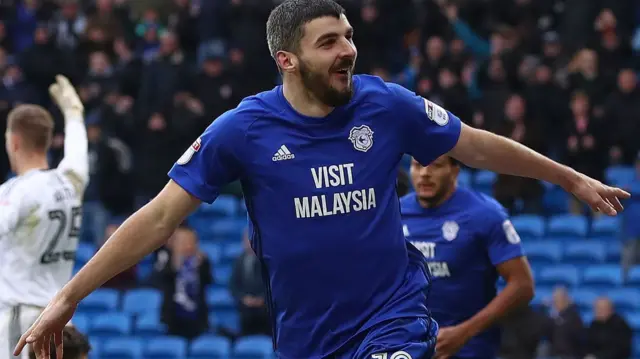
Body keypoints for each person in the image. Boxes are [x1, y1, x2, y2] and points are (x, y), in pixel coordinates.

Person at [15, 1, 630, 358]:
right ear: (287, 59)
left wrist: (570, 178)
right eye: (329, 41)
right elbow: (158, 218)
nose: (348, 50)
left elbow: (475, 145)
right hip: (308, 337)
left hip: (394, 318)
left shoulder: (385, 105)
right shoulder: (242, 129)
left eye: (350, 36)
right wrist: (69, 296)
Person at [401, 155, 535, 359]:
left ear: (455, 171)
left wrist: (464, 333)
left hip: (469, 349)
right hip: (408, 347)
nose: (425, 173)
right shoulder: (394, 213)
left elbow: (523, 285)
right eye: (417, 165)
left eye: (435, 165)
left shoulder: (485, 214)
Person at [0, 75, 88, 359]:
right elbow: (78, 153)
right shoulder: (70, 182)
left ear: (13, 142)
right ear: (48, 141)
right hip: (59, 320)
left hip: (18, 322)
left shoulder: (15, 192)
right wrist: (73, 114)